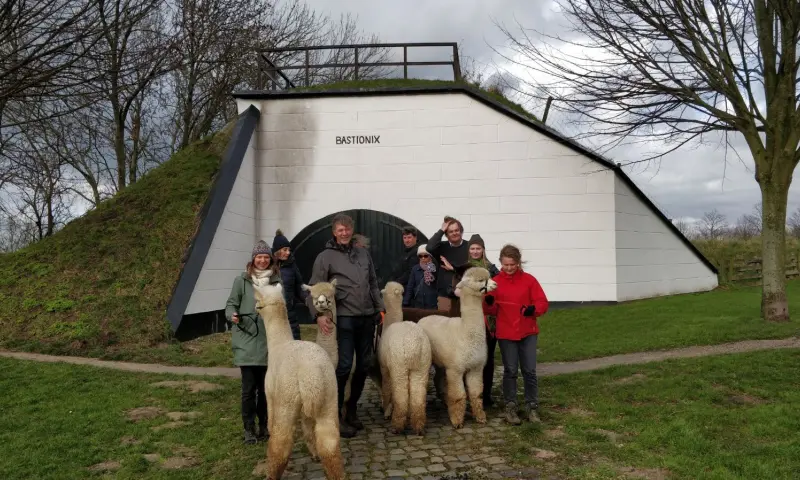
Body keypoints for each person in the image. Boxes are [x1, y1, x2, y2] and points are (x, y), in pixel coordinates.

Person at [306, 213, 384, 438]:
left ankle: (351, 410)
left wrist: (380, 307)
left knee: (364, 365)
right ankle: (336, 416)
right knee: (344, 366)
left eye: (347, 229)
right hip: (345, 317)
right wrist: (318, 315)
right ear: (334, 232)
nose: (344, 233)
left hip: (367, 316)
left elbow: (372, 282)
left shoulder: (363, 254)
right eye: (340, 230)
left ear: (352, 231)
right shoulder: (325, 257)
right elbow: (314, 288)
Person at [482, 244, 549, 425]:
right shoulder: (495, 282)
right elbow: (489, 309)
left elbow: (542, 302)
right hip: (506, 333)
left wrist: (534, 309)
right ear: (501, 263)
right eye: (506, 265)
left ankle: (532, 406)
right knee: (510, 370)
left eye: (513, 264)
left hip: (527, 331)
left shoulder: (529, 280)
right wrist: (488, 302)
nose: (509, 268)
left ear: (518, 262)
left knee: (529, 370)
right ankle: (510, 406)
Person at [225, 240, 282, 444]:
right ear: (253, 258)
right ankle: (248, 428)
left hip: (269, 342)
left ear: (270, 259)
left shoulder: (276, 282)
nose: (263, 260)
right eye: (259, 257)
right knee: (248, 390)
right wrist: (232, 315)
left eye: (266, 257)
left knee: (266, 389)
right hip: (247, 340)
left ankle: (264, 425)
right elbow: (231, 303)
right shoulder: (241, 281)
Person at [464, 234, 501, 408]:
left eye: (478, 248)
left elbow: (499, 287)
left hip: (488, 318)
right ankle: (470, 394)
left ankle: (486, 394)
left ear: (483, 250)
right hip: (470, 317)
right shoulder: (465, 269)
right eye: (472, 248)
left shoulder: (492, 269)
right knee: (469, 357)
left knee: (487, 357)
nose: (475, 251)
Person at [426, 216, 469, 313]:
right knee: (444, 322)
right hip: (445, 296)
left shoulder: (470, 247)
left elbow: (474, 270)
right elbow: (429, 247)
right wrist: (441, 230)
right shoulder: (441, 247)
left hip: (465, 295)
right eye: (451, 231)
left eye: (457, 230)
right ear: (446, 234)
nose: (454, 233)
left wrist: (453, 268)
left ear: (461, 231)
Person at [272, 229, 307, 340]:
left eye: (289, 250)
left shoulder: (292, 265)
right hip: (272, 315)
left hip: (289, 314)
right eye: (285, 250)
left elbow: (300, 287)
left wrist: (309, 300)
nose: (288, 252)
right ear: (277, 251)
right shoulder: (268, 266)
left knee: (294, 344)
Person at [402, 244, 439, 310]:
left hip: (432, 304)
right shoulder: (415, 269)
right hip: (418, 304)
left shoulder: (436, 268)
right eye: (420, 256)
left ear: (430, 256)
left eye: (425, 256)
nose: (423, 258)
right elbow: (410, 286)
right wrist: (406, 301)